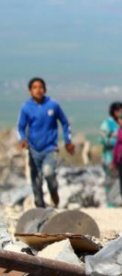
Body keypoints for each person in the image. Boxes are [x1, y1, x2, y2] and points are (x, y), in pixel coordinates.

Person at [17, 77, 74, 208]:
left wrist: (68, 141)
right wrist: (22, 139)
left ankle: (54, 192)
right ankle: (40, 206)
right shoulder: (26, 108)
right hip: (33, 149)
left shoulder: (53, 105)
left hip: (50, 148)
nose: (38, 90)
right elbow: (20, 127)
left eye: (40, 87)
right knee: (36, 180)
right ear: (30, 91)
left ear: (45, 89)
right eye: (35, 88)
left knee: (48, 173)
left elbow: (65, 123)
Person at [100, 102, 122, 207]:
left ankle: (118, 202)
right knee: (110, 181)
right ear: (115, 112)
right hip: (109, 158)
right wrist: (119, 142)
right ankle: (110, 204)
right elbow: (103, 140)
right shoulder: (106, 124)